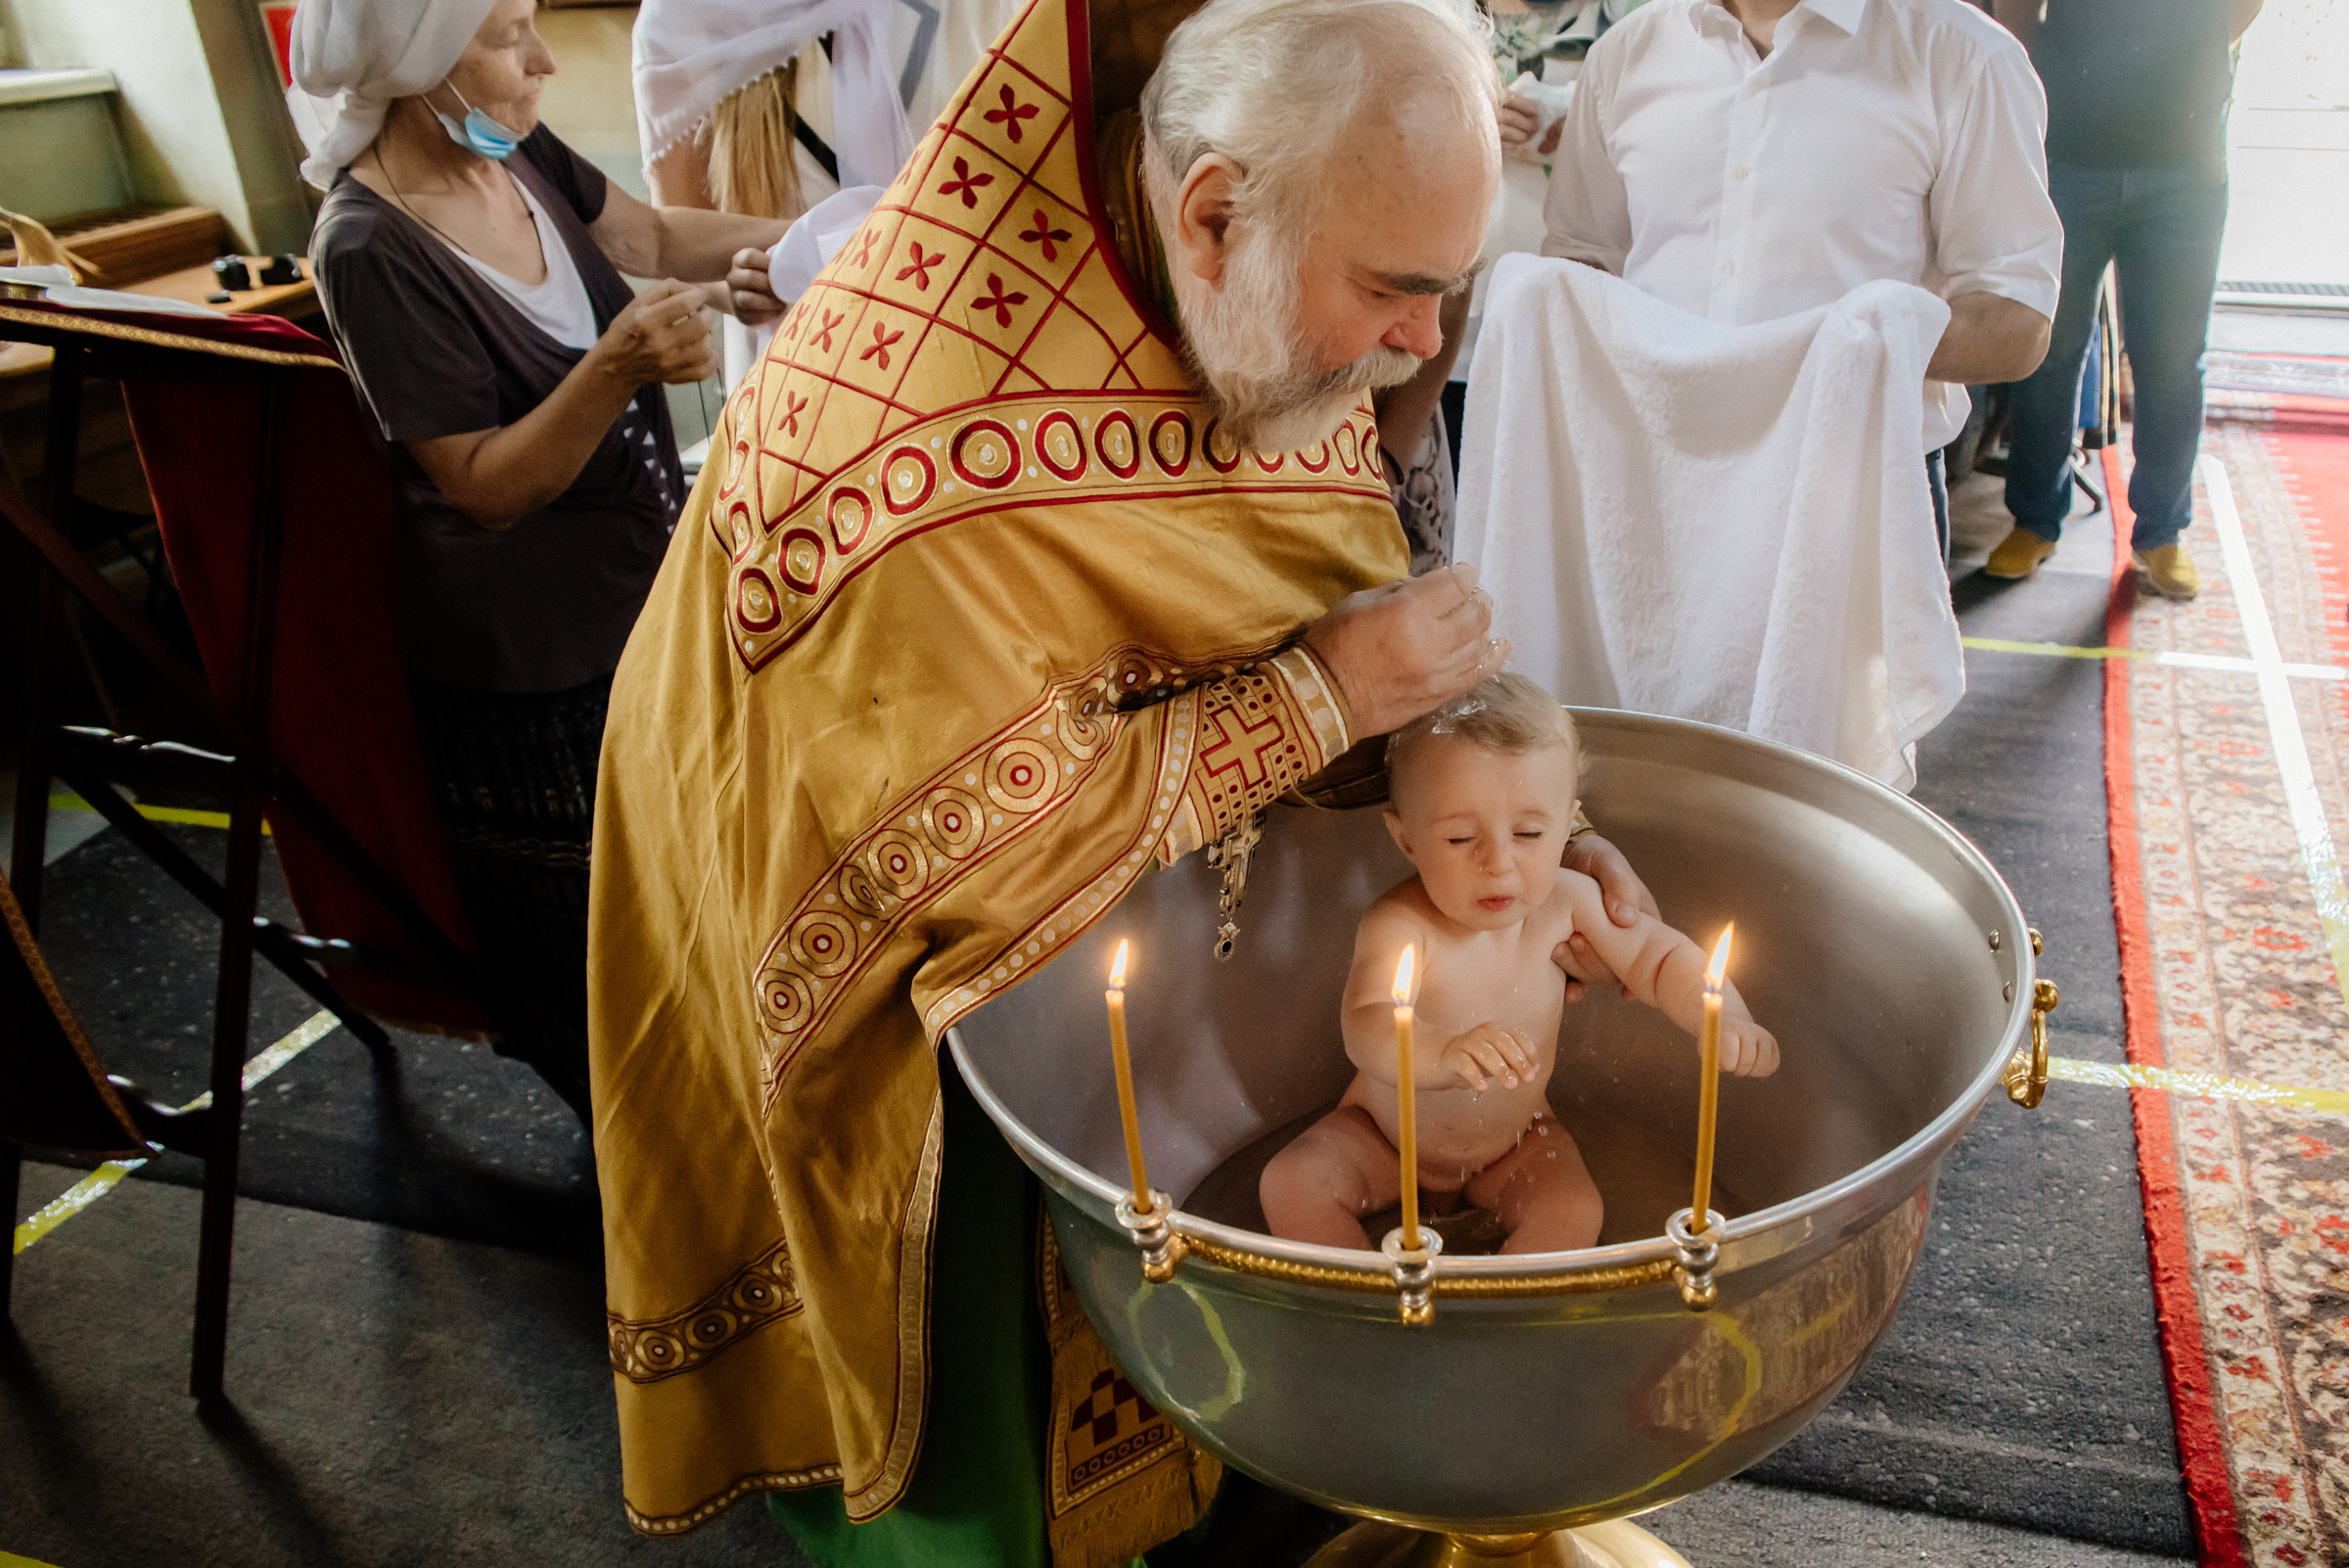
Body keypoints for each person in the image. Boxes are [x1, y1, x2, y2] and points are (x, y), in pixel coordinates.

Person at [587, 0, 1662, 1558]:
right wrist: (1329, 689)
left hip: (1124, 925)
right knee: (987, 1423)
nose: (1425, 347)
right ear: (1214, 214)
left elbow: (1281, 558)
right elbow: (934, 853)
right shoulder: (913, 448)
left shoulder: (1212, 237)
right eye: (1394, 292)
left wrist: (1534, 830)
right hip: (884, 995)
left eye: (1451, 291)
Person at [286, 0, 796, 1116]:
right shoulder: (370, 245)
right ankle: (646, 1184)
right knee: (602, 963)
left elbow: (655, 241)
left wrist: (823, 243)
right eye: (505, 33)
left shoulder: (510, 151)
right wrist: (616, 365)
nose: (543, 60)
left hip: (632, 612)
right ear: (419, 62)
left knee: (692, 905)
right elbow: (483, 485)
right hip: (534, 677)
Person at [1260, 674, 1777, 1255]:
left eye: (1530, 832)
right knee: (1290, 1182)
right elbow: (1366, 1023)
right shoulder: (1398, 923)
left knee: (1575, 1210)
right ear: (1406, 840)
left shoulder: (1570, 902)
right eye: (1460, 839)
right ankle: (1364, 1297)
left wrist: (1725, 1013)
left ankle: (1492, 1316)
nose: (1499, 864)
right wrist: (1441, 1052)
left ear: (1568, 824)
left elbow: (1661, 960)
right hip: (1382, 1137)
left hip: (1517, 1142)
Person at [1541, 0, 2064, 560]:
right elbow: (1579, 261)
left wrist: (1849, 349)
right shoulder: (1626, 53)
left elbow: (2017, 320)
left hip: (1861, 492)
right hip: (1655, 479)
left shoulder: (1963, 55)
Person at [1986, 0, 2266, 600]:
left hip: (2185, 159)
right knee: (2047, 347)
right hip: (2069, 153)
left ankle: (2161, 533)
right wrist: (2043, 77)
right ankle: (2033, 520)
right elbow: (2011, 8)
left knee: (2171, 358)